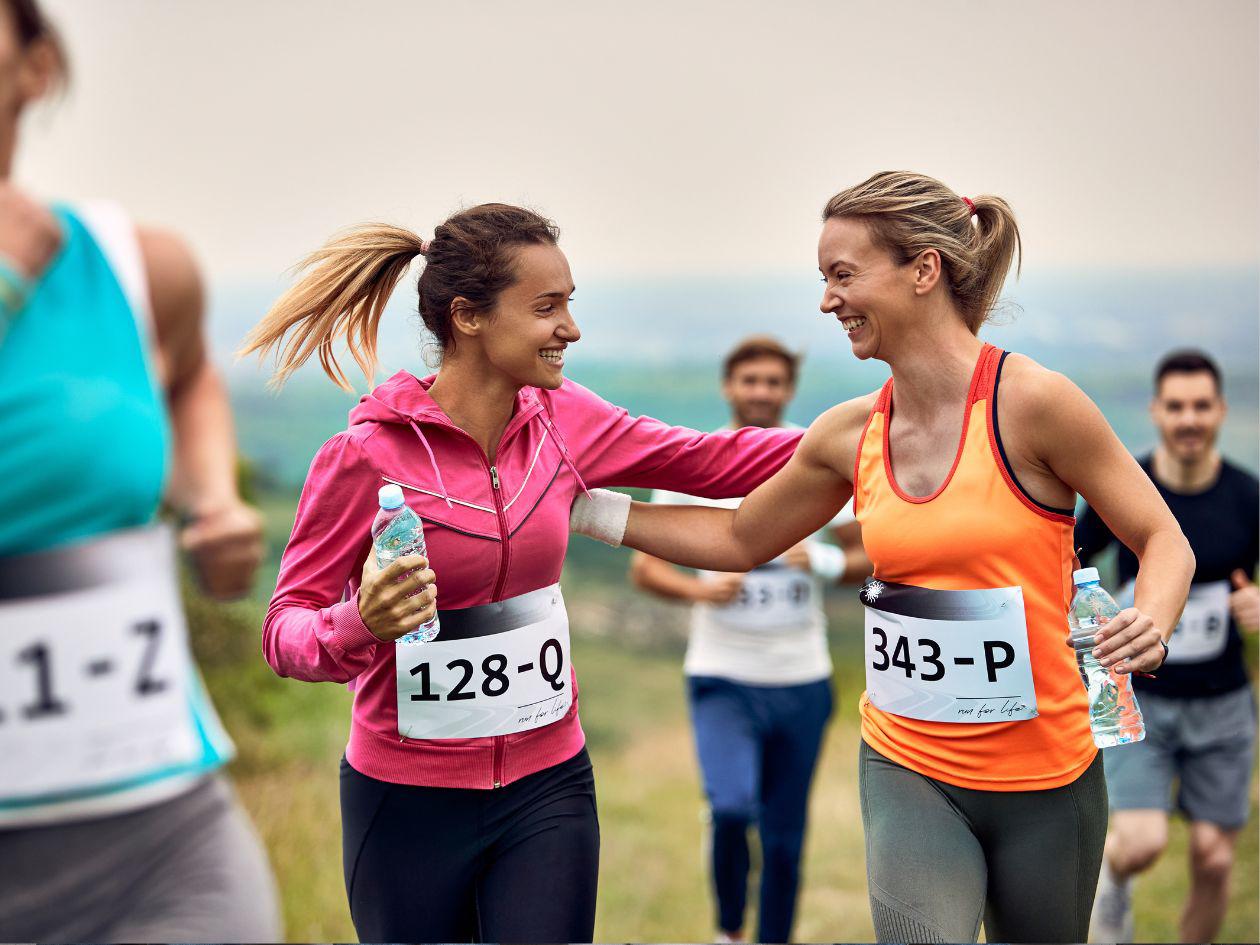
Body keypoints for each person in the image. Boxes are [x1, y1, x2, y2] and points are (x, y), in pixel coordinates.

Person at [570, 171, 1196, 944]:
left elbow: (1165, 538)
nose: (827, 301)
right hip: (909, 763)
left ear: (923, 270)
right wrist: (582, 508)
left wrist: (1152, 622)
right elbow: (738, 539)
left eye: (843, 275)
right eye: (823, 279)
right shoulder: (848, 432)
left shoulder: (1035, 404)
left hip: (1047, 774)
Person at [239, 204, 804, 943]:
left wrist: (887, 423)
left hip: (549, 784)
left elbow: (717, 461)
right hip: (405, 798)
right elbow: (284, 630)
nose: (570, 327)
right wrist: (360, 623)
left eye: (569, 303)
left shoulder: (566, 419)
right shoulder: (366, 456)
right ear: (469, 317)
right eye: (548, 307)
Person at [0, 2, 281, 941]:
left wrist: (215, 496)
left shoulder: (127, 264)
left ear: (34, 66)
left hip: (158, 841)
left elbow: (191, 369)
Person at [628, 335, 869, 943]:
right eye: (749, 380)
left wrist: (815, 561)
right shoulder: (693, 461)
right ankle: (730, 931)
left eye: (773, 382)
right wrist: (699, 592)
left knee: (786, 838)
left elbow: (869, 553)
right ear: (728, 387)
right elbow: (646, 567)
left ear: (788, 391)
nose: (761, 391)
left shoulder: (814, 459)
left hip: (802, 679)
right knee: (732, 809)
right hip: (721, 674)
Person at [1079, 349, 1258, 944]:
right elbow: (1065, 558)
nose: (1189, 419)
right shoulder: (1126, 489)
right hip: (1140, 703)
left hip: (1223, 704)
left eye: (1201, 406)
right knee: (1141, 842)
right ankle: (1112, 880)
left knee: (1213, 857)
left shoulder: (1246, 497)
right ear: (1156, 411)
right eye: (1176, 406)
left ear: (1220, 412)